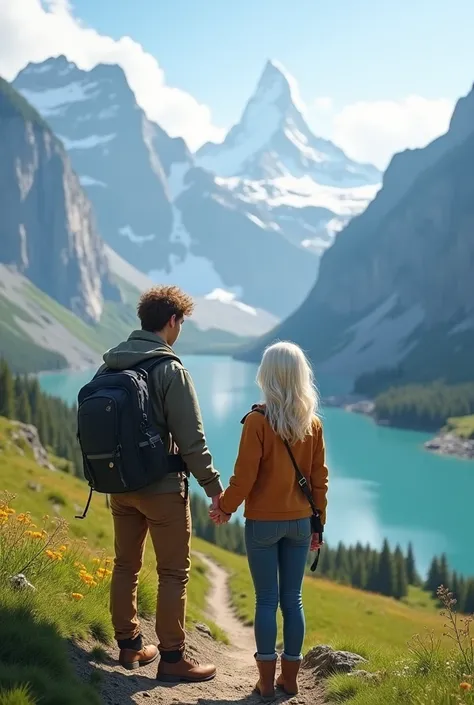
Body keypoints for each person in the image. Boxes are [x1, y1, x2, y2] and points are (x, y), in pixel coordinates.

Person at [102, 285, 222, 682]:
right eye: (182, 322)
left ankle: (130, 647)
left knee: (126, 564)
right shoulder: (170, 369)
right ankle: (172, 659)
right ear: (172, 321)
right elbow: (192, 440)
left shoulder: (110, 366)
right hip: (163, 488)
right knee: (173, 572)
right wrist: (214, 487)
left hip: (119, 486)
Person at [210, 341, 328, 700]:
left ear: (267, 375)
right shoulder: (313, 424)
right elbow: (319, 480)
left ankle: (264, 680)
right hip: (300, 523)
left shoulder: (257, 422)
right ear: (300, 376)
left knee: (266, 600)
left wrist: (225, 507)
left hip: (262, 523)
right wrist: (317, 524)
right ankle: (290, 680)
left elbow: (243, 477)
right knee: (293, 599)